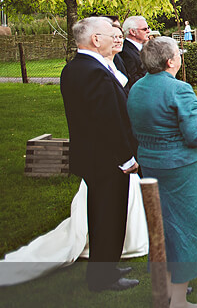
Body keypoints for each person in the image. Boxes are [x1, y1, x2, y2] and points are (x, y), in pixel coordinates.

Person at [127, 37, 197, 308]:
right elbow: (195, 136)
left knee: (163, 228)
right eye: (178, 53)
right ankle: (179, 302)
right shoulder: (180, 89)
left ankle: (169, 288)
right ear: (170, 61)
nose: (180, 56)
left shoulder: (136, 87)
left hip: (150, 165)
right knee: (184, 230)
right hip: (180, 170)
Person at [60, 17, 139, 292]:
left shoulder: (75, 68)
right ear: (96, 39)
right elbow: (108, 120)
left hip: (93, 157)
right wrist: (126, 157)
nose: (115, 38)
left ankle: (106, 265)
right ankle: (102, 277)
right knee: (109, 217)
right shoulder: (93, 71)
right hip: (106, 159)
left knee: (103, 215)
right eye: (110, 34)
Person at [121, 15, 150, 90]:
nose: (148, 31)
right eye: (144, 29)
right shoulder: (125, 52)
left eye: (148, 28)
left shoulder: (142, 48)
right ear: (133, 32)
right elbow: (132, 79)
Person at [107, 24, 130, 93]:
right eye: (114, 37)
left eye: (120, 37)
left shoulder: (117, 60)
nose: (118, 41)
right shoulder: (100, 62)